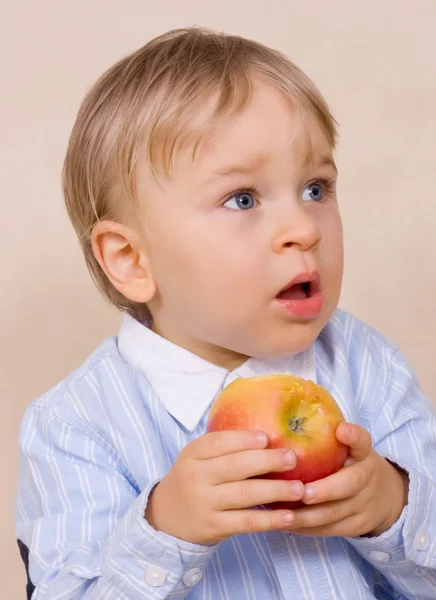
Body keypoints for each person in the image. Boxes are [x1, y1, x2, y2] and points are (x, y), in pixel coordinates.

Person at [15, 27, 436, 599]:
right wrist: (165, 530)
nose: (303, 229)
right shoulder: (77, 428)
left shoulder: (368, 367)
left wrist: (394, 505)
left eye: (316, 188)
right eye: (243, 199)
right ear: (132, 259)